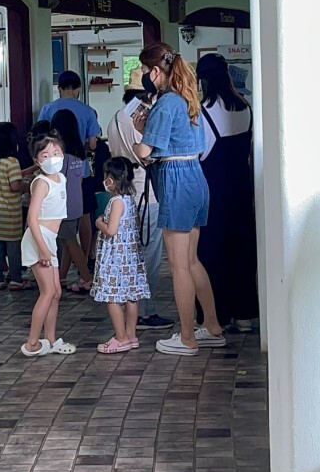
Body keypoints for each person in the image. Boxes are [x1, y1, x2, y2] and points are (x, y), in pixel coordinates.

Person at [132, 42, 225, 356]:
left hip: (175, 180)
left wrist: (139, 136)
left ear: (156, 71)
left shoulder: (166, 103)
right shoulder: (188, 98)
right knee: (192, 260)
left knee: (178, 265)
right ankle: (211, 326)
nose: (143, 75)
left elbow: (145, 151)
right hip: (195, 176)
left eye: (144, 70)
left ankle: (187, 337)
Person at [197, 53, 258, 332]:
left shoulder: (203, 112)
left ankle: (216, 316)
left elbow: (200, 154)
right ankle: (244, 313)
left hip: (214, 194)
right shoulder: (245, 107)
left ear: (203, 80)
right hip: (242, 189)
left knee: (211, 253)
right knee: (242, 251)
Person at [107, 83, 171, 332]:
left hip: (124, 196)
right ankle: (146, 310)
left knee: (129, 254)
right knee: (150, 255)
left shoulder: (114, 120)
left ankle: (130, 309)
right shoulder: (139, 121)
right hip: (147, 193)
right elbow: (149, 154)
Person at [20, 131, 77, 357]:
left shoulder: (61, 178)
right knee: (48, 292)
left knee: (55, 292)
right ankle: (32, 343)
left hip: (49, 239)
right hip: (39, 239)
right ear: (36, 161)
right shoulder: (41, 182)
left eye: (56, 153)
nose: (52, 158)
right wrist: (43, 249)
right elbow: (32, 219)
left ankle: (51, 340)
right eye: (45, 155)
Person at [91, 157, 150, 354]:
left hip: (115, 258)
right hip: (131, 257)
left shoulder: (116, 201)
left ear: (112, 178)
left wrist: (99, 222)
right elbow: (136, 223)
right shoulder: (130, 199)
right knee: (131, 297)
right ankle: (131, 335)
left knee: (113, 298)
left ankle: (120, 337)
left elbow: (111, 230)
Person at [50, 108, 93, 293]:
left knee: (70, 241)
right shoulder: (79, 154)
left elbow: (56, 179)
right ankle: (61, 277)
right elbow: (80, 179)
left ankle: (87, 278)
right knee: (68, 242)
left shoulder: (61, 156)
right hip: (77, 202)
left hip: (63, 204)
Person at [0, 122, 27, 292]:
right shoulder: (12, 162)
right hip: (10, 210)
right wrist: (29, 185)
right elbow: (15, 185)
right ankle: (16, 279)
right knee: (13, 246)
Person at [39, 71, 101, 151]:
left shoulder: (46, 109)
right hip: (78, 157)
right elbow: (92, 145)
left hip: (54, 157)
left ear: (59, 89)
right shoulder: (89, 111)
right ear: (78, 89)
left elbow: (40, 138)